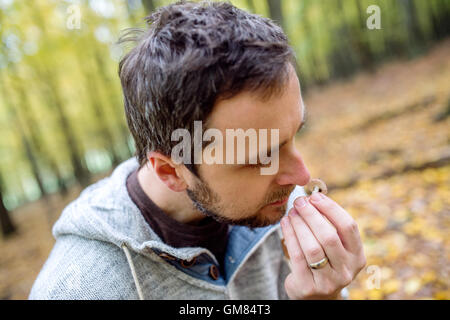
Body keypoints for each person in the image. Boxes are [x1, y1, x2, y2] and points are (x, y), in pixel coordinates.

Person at [29, 1, 365, 300]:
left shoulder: (276, 207)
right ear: (171, 171)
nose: (301, 176)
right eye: (259, 158)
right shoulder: (78, 288)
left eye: (294, 136)